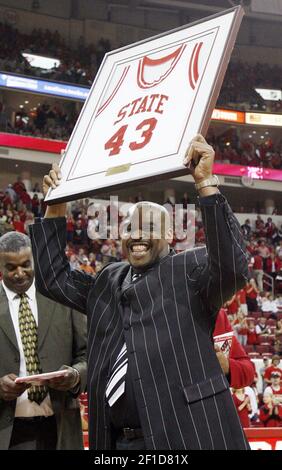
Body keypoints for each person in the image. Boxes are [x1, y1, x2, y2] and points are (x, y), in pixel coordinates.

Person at [30, 134, 250, 450]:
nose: (137, 236)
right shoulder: (109, 278)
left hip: (187, 438)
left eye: (149, 226)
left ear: (171, 234)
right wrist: (56, 204)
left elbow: (234, 268)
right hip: (119, 441)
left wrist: (205, 183)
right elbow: (52, 279)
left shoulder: (191, 269)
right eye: (130, 228)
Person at [0, 231, 87, 450]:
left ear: (35, 260)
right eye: (11, 267)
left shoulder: (62, 297)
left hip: (60, 429)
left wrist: (75, 375)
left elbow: (88, 354)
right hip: (8, 432)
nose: (20, 274)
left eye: (26, 265)